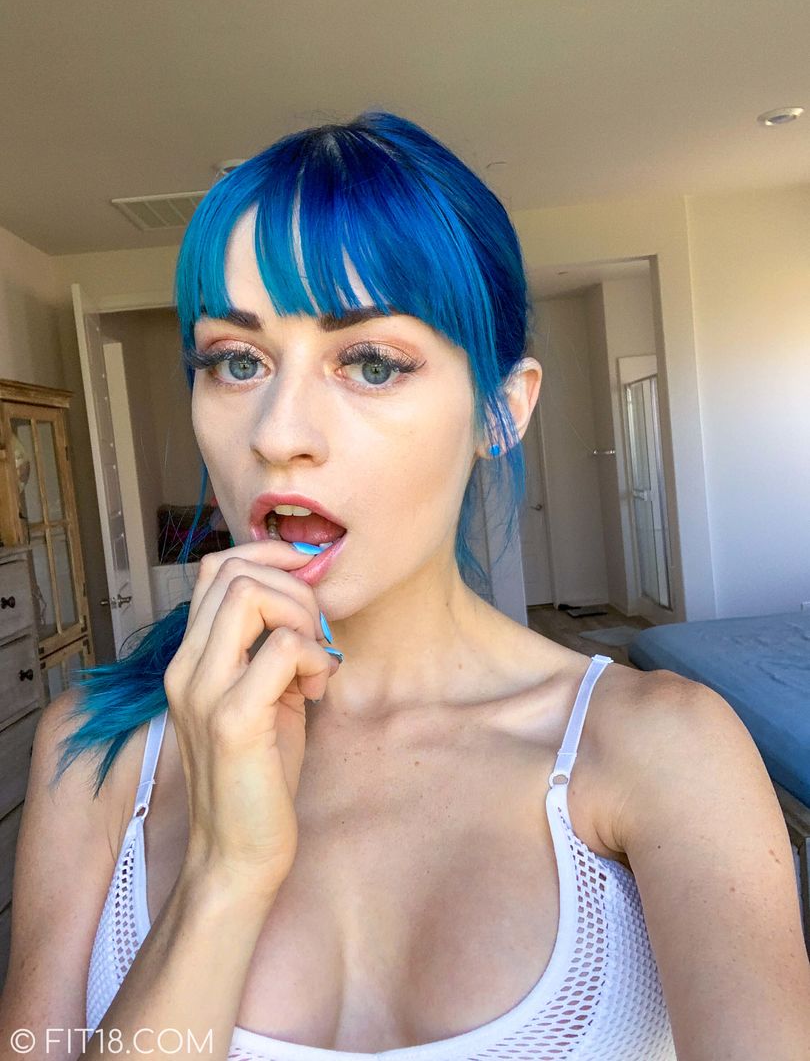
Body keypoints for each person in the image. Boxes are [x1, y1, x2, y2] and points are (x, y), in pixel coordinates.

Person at [1, 110, 808, 1061]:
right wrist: (223, 873)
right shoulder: (93, 754)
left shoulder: (665, 749)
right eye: (237, 361)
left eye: (372, 363)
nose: (277, 433)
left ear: (501, 409)